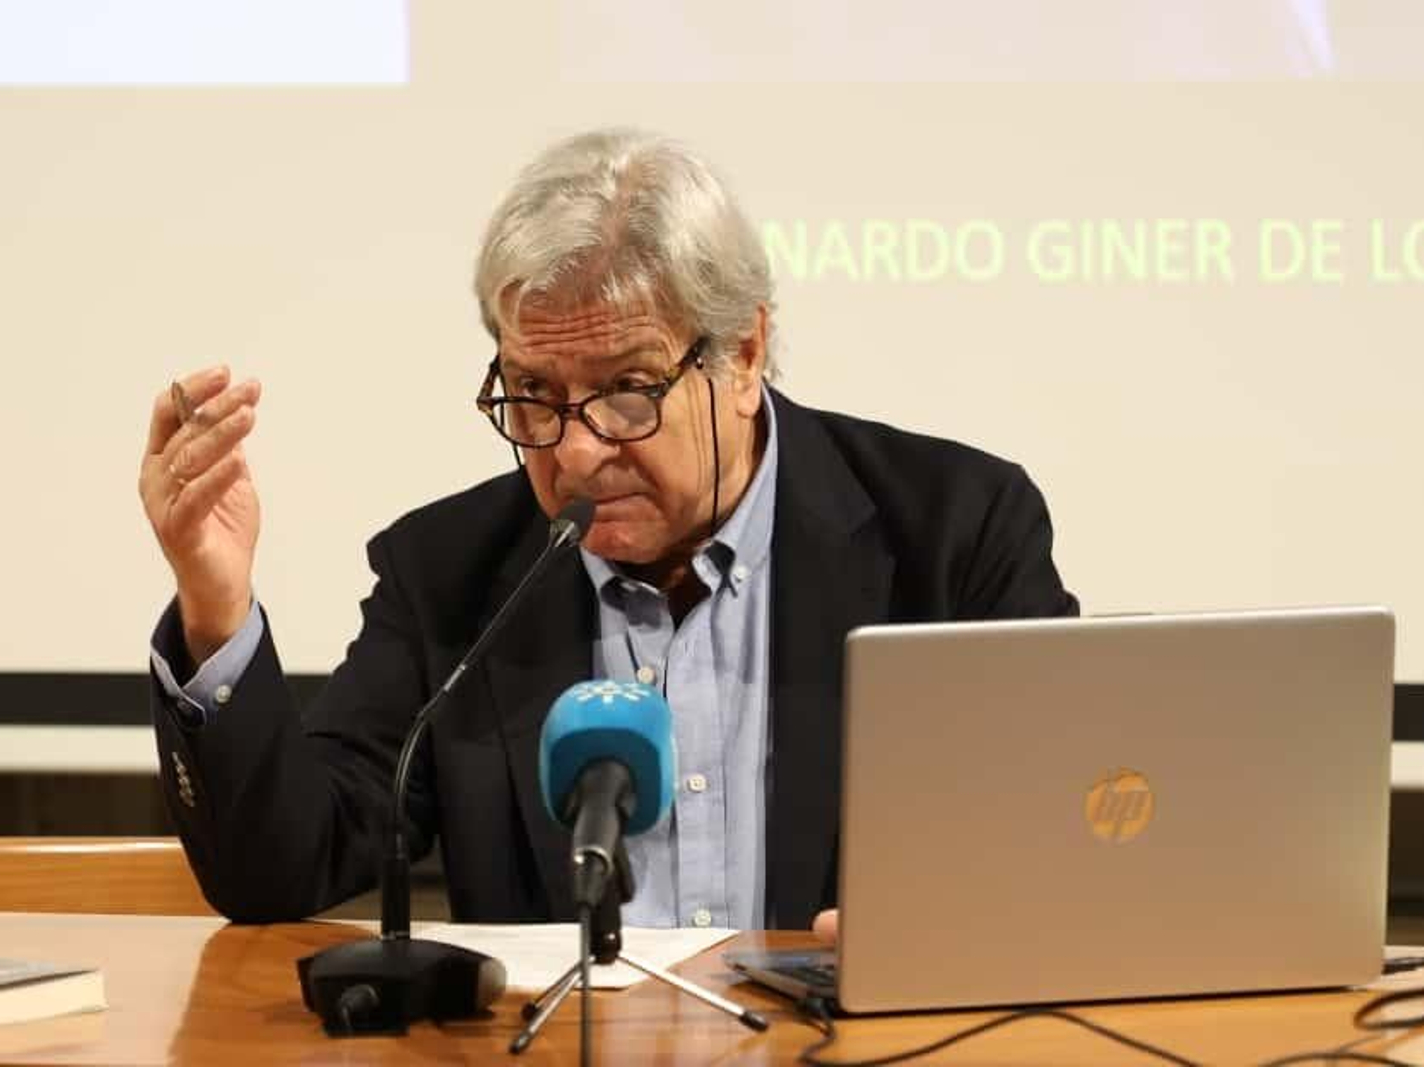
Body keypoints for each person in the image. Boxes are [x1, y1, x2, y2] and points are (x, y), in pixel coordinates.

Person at [137, 128, 1077, 931]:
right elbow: (284, 869)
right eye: (535, 395)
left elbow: (1062, 827)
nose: (577, 456)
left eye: (627, 390)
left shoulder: (955, 532)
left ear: (743, 354)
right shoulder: (451, 576)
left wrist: (956, 922)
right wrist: (215, 604)